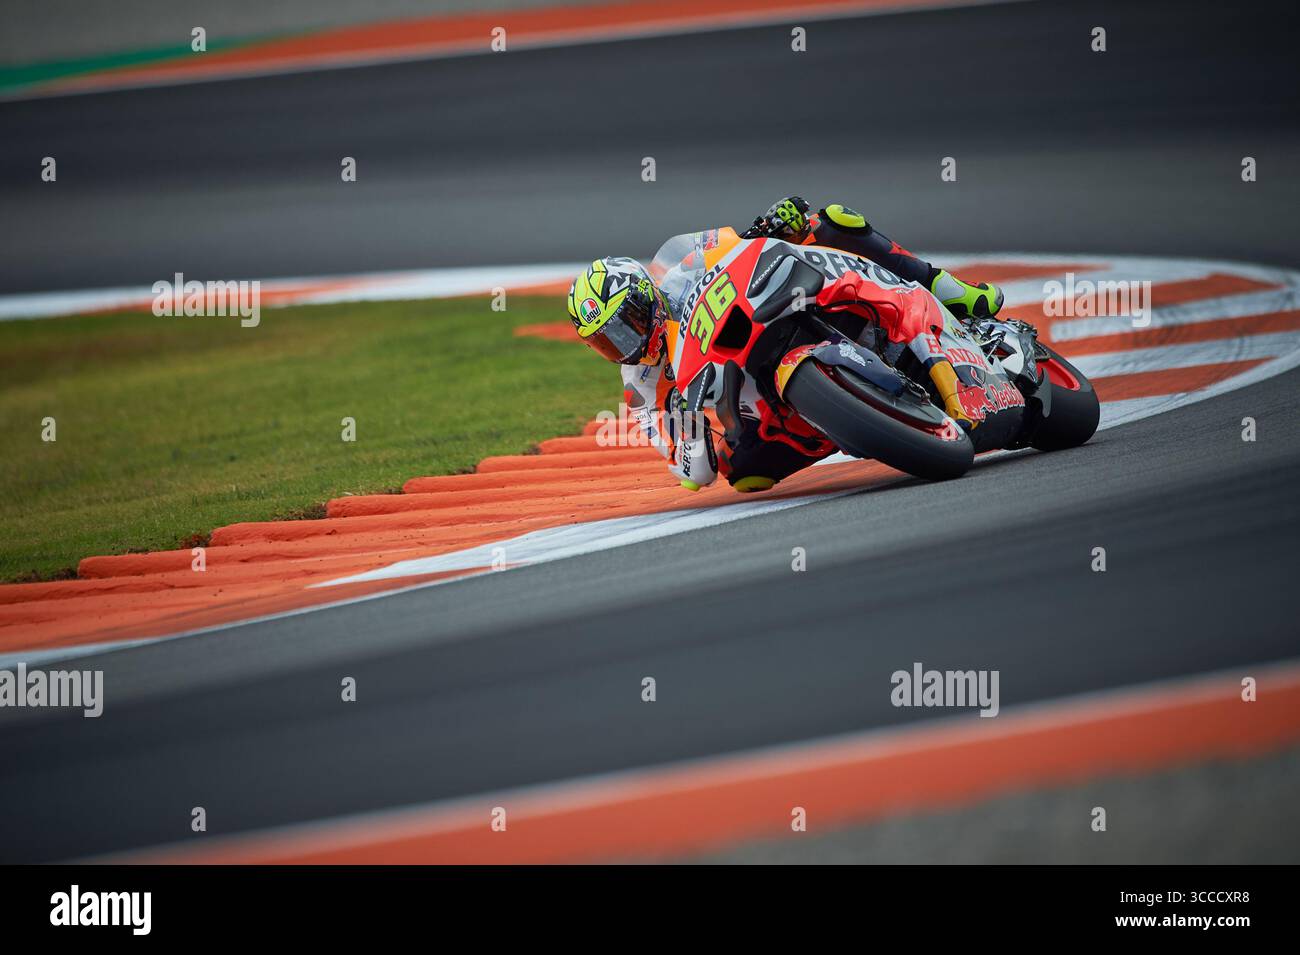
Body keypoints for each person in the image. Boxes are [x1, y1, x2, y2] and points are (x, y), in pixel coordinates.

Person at [565, 197, 1005, 492]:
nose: (625, 343)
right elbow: (691, 469)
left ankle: (951, 290)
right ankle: (844, 417)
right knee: (744, 475)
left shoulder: (679, 271)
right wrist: (687, 427)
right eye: (607, 341)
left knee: (832, 221)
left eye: (627, 323)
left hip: (775, 306)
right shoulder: (639, 387)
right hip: (763, 400)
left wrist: (772, 225)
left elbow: (735, 245)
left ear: (646, 296)